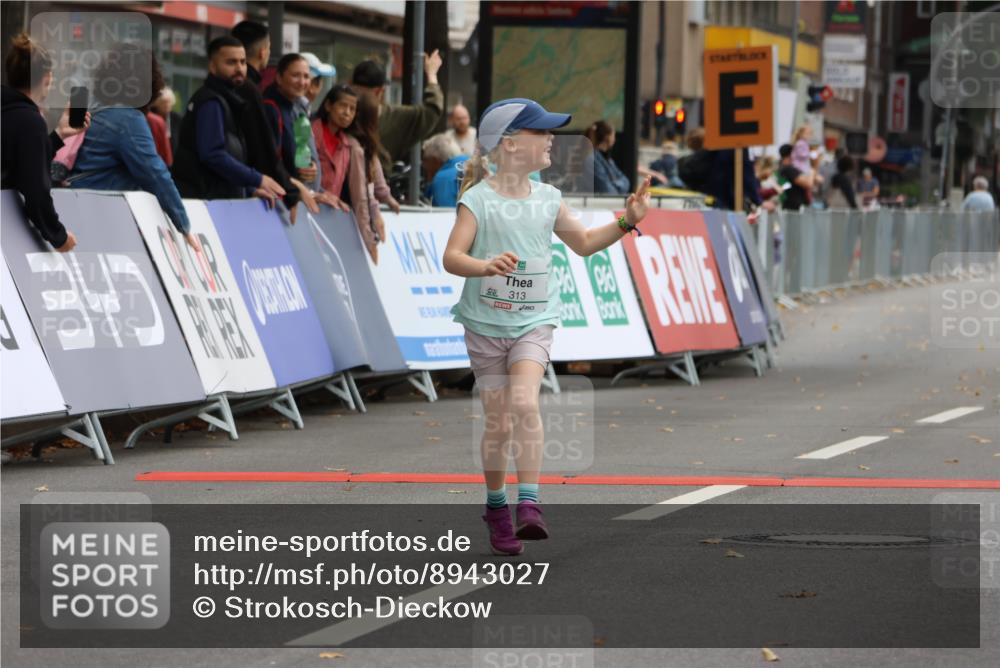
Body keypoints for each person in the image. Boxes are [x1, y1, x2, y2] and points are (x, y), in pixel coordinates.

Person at [442, 98, 651, 555]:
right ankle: (497, 507)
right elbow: (451, 257)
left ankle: (529, 504)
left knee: (524, 402)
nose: (553, 138)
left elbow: (585, 244)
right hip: (484, 323)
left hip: (534, 321)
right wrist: (484, 266)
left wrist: (625, 221)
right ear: (512, 146)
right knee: (497, 423)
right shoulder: (477, 199)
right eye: (543, 133)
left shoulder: (549, 198)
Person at [69, 43, 198, 250]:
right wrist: (184, 223)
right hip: (102, 217)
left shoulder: (91, 105)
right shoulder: (128, 118)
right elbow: (154, 173)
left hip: (73, 203)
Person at [172, 36, 286, 204]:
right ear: (212, 66)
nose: (239, 68)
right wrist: (257, 179)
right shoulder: (211, 102)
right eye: (231, 62)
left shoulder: (227, 100)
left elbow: (226, 159)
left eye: (242, 62)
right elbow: (213, 155)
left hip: (214, 201)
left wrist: (249, 190)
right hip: (204, 204)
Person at [1, 33, 87, 252]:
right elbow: (35, 189)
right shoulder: (31, 122)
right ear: (47, 78)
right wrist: (58, 236)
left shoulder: (11, 112)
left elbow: (16, 160)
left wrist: (58, 136)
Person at [231, 20, 301, 211]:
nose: (303, 82)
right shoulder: (248, 90)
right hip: (238, 192)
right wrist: (291, 193)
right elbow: (264, 149)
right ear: (263, 52)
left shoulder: (238, 87)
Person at [350, 53, 444, 175]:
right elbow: (432, 110)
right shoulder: (394, 116)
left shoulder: (338, 114)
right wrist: (432, 75)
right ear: (380, 91)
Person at [263, 53, 320, 192]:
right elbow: (272, 161)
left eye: (306, 77)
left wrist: (311, 166)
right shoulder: (270, 108)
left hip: (299, 194)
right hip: (280, 196)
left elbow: (303, 151)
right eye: (295, 75)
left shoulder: (299, 109)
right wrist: (295, 191)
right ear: (279, 78)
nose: (302, 82)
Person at [310, 83, 358, 212]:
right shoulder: (310, 133)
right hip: (307, 209)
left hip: (329, 215)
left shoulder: (347, 146)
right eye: (342, 105)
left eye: (352, 109)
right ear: (328, 106)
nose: (347, 113)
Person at [582, 120, 630, 194]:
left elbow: (626, 182)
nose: (615, 139)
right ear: (608, 137)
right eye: (614, 135)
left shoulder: (608, 159)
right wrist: (617, 184)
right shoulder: (592, 159)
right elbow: (606, 190)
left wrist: (613, 184)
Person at [422, 132, 467, 207]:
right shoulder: (478, 164)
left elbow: (446, 215)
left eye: (425, 160)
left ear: (435, 160)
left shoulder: (442, 178)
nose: (423, 165)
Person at [777, 143, 814, 211]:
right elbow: (808, 184)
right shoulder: (788, 169)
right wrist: (812, 169)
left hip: (790, 207)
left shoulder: (781, 168)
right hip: (794, 208)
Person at [146, 89, 173, 166]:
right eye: (163, 103)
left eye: (168, 102)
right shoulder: (156, 120)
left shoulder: (175, 118)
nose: (166, 105)